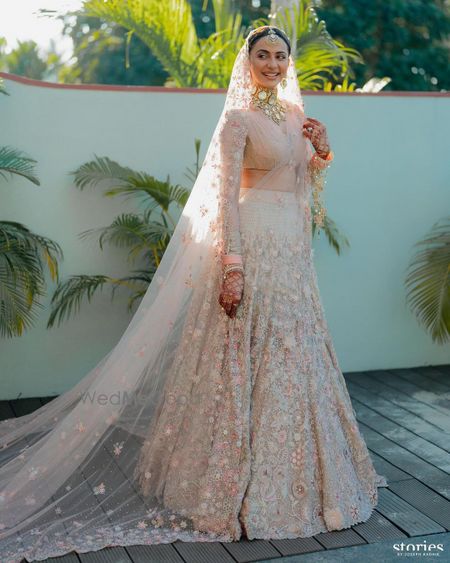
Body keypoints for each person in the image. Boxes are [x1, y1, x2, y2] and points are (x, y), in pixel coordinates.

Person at [0, 25, 387, 562]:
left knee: (291, 354)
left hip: (292, 255)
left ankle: (302, 478)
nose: (273, 64)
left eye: (280, 56)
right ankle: (227, 486)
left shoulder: (298, 117)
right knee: (243, 353)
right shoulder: (237, 120)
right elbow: (227, 196)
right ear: (246, 62)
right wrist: (233, 264)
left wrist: (321, 153)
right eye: (263, 56)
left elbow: (301, 189)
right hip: (252, 243)